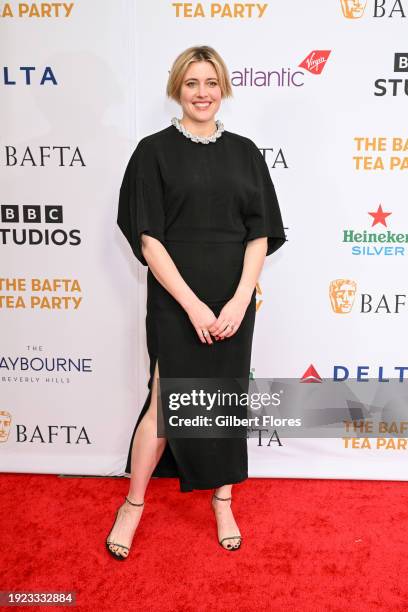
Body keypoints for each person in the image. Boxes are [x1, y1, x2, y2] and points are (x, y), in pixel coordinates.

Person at [106, 45, 286, 560]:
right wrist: (192, 305)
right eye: (191, 83)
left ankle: (223, 500)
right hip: (176, 299)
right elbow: (147, 238)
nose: (202, 93)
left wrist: (238, 300)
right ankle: (133, 505)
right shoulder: (152, 151)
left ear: (223, 87)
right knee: (167, 401)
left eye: (211, 82)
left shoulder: (246, 152)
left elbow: (261, 232)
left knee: (224, 403)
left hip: (233, 300)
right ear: (177, 89)